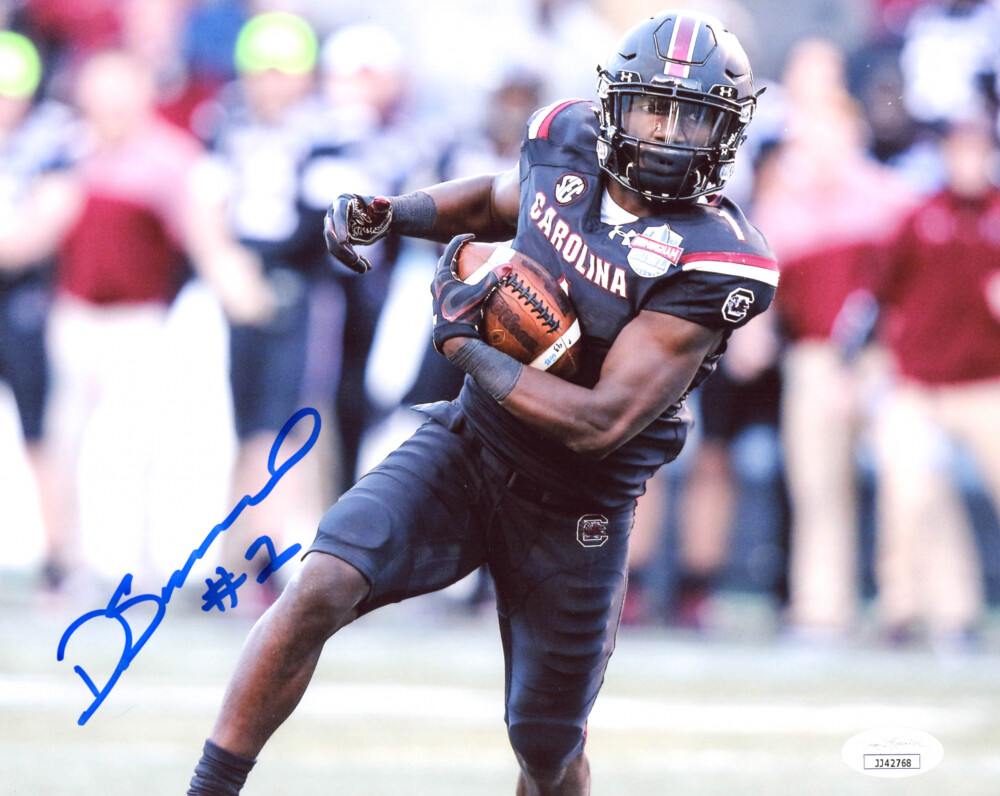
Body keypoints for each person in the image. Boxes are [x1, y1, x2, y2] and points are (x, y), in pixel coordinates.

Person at [187, 11, 778, 795]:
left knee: (544, 743)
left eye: (691, 117)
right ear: (613, 107)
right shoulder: (565, 142)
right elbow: (504, 200)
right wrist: (395, 212)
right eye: (651, 109)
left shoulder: (719, 258)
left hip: (577, 504)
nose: (667, 135)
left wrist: (465, 345)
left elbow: (599, 422)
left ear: (727, 129)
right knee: (322, 581)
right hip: (471, 442)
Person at [870, 115, 1000, 648]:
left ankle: (950, 612)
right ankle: (910, 608)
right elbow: (881, 295)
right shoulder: (920, 217)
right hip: (918, 384)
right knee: (911, 495)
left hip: (987, 383)